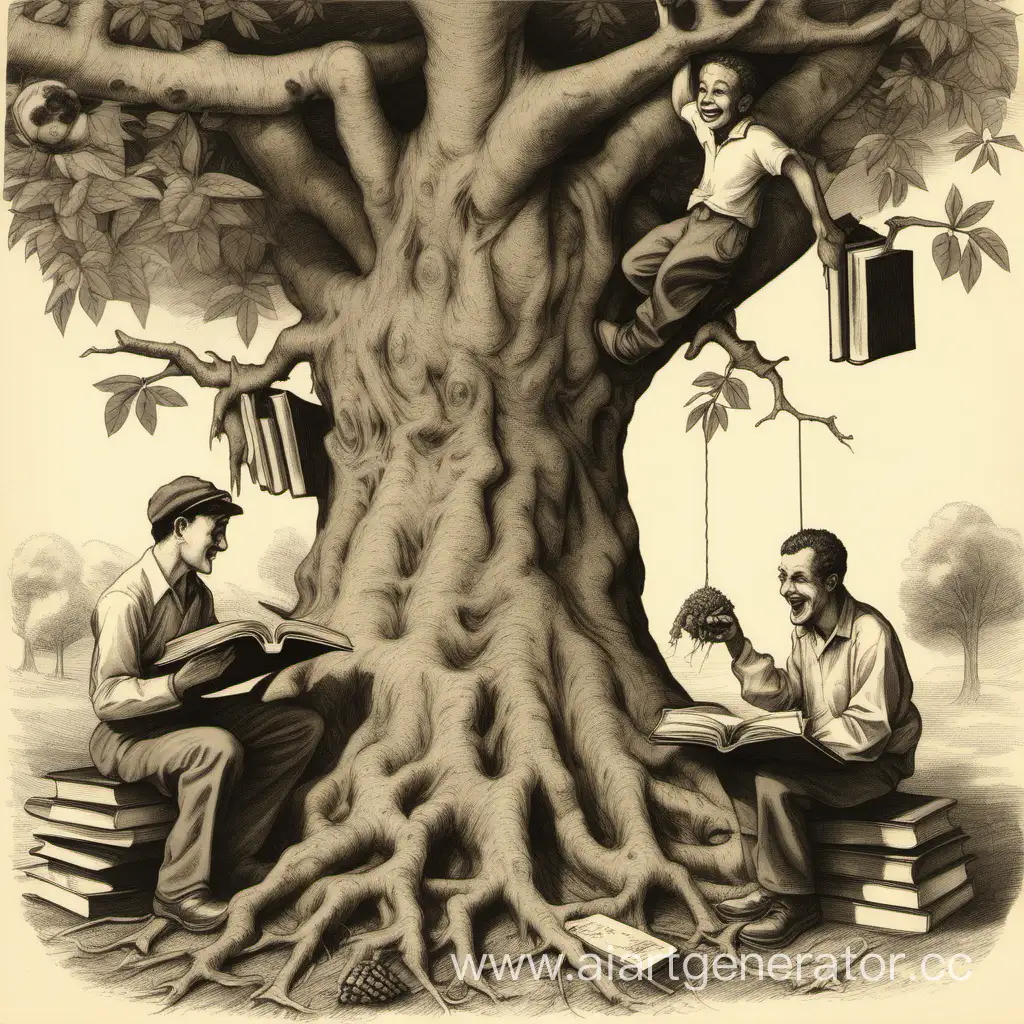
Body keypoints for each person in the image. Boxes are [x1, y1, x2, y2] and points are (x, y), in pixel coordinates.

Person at [88, 476, 324, 933]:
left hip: (182, 718)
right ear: (180, 527)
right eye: (215, 529)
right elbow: (107, 697)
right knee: (215, 747)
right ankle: (178, 892)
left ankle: (235, 859)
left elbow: (206, 674)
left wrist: (259, 667)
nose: (223, 542)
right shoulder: (125, 599)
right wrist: (176, 686)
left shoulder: (198, 594)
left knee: (299, 727)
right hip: (126, 736)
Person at [704, 529, 922, 949]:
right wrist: (736, 644)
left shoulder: (871, 633)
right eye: (782, 577)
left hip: (873, 764)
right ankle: (771, 885)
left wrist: (800, 739)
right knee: (740, 767)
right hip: (826, 756)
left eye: (798, 578)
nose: (786, 589)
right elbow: (788, 693)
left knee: (775, 783)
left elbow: (870, 728)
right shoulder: (804, 634)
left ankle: (796, 901)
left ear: (831, 582)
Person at [594, 50, 845, 363]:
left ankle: (631, 344)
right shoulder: (707, 126)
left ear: (742, 104)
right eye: (704, 89)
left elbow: (794, 166)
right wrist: (682, 52)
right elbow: (681, 101)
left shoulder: (757, 139)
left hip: (723, 232)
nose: (707, 100)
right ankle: (682, 305)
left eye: (719, 92)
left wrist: (823, 225)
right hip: (695, 221)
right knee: (636, 264)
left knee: (671, 281)